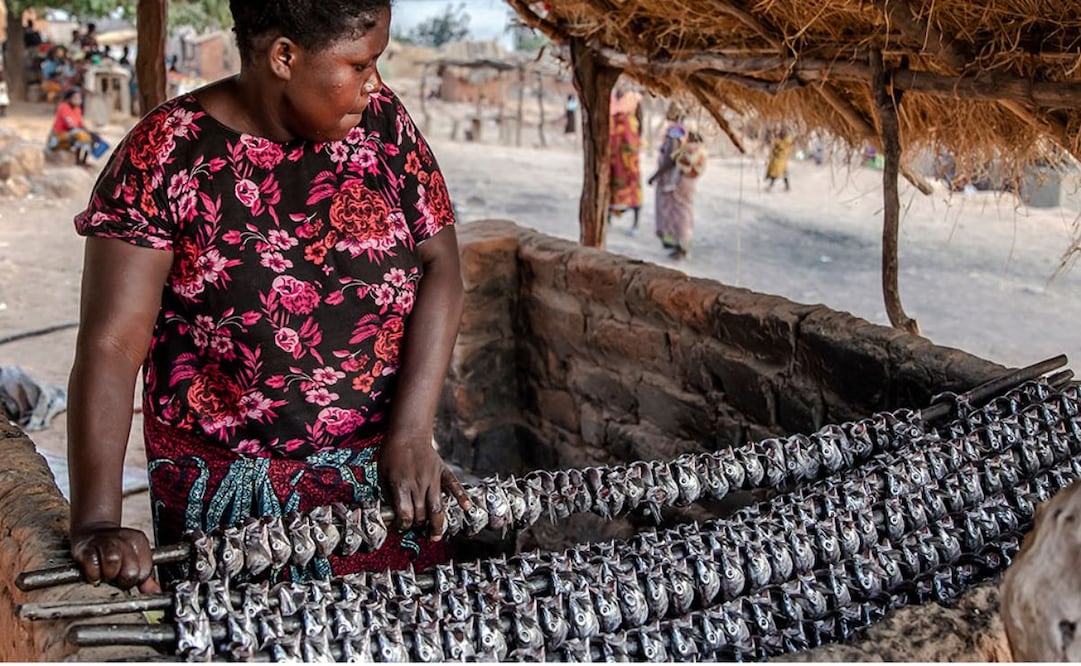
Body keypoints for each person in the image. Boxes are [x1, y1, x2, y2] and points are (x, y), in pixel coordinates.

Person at [67, 0, 472, 591]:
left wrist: (411, 432)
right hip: (230, 500)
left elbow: (442, 270)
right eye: (359, 65)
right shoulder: (167, 152)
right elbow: (112, 343)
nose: (374, 83)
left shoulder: (383, 124)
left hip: (382, 484)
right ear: (285, 56)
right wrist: (98, 520)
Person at [648, 102, 698, 259]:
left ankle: (681, 248)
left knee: (678, 212)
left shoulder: (675, 131)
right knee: (682, 211)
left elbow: (672, 157)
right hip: (683, 179)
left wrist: (655, 175)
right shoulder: (687, 131)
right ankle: (679, 245)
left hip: (675, 179)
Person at [608, 85, 643, 233]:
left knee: (633, 183)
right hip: (613, 150)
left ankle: (635, 224)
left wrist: (635, 142)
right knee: (610, 182)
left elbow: (641, 118)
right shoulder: (609, 96)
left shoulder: (634, 97)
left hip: (629, 152)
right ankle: (607, 219)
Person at [47, 89, 103, 166]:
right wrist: (86, 132)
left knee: (91, 137)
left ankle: (83, 161)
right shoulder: (63, 107)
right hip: (59, 136)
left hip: (71, 134)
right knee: (82, 136)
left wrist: (91, 133)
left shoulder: (77, 109)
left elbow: (80, 124)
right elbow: (70, 126)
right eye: (75, 98)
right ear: (69, 98)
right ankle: (78, 161)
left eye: (79, 98)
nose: (78, 100)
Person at [765, 127, 794, 192]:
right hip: (777, 159)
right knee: (782, 172)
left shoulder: (787, 141)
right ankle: (787, 186)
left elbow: (785, 149)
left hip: (781, 159)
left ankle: (771, 186)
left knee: (777, 172)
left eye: (783, 132)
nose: (782, 133)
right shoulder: (778, 139)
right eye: (781, 132)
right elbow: (773, 146)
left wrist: (778, 151)